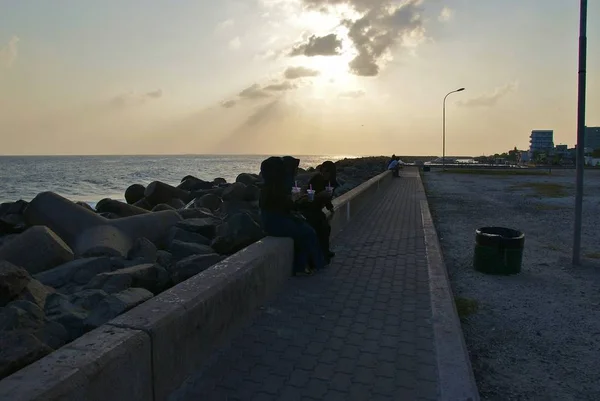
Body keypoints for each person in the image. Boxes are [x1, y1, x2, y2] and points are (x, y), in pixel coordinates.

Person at [259, 156, 325, 275]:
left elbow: (285, 205)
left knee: (308, 227)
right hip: (275, 223)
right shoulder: (276, 188)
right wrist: (298, 202)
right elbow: (285, 205)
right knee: (308, 232)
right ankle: (305, 266)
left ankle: (311, 264)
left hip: (273, 220)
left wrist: (296, 202)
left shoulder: (271, 186)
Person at [303, 161, 338, 263]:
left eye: (327, 171)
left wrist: (330, 207)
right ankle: (320, 255)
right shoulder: (317, 179)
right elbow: (309, 199)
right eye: (322, 170)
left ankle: (325, 251)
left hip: (317, 210)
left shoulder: (331, 183)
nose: (324, 173)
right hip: (309, 209)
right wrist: (320, 195)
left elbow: (327, 199)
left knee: (326, 227)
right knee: (321, 227)